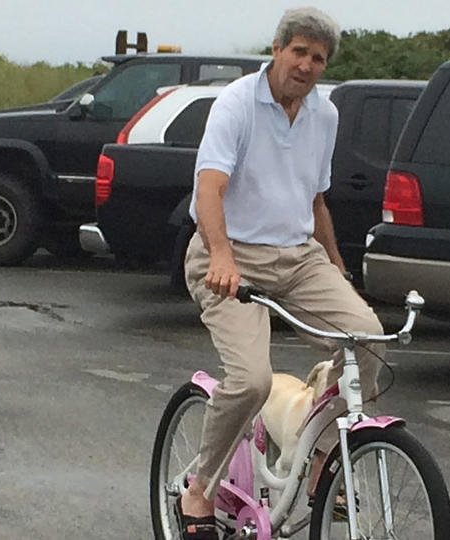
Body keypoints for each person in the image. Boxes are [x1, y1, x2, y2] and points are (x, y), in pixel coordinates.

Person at [178, 7, 385, 539]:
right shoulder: (236, 103)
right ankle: (200, 488)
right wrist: (221, 255)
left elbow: (316, 199)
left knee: (368, 341)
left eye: (318, 58)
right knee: (252, 381)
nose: (307, 65)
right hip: (231, 257)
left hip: (298, 256)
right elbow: (209, 188)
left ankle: (322, 462)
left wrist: (336, 267)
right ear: (276, 50)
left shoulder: (325, 114)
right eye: (299, 52)